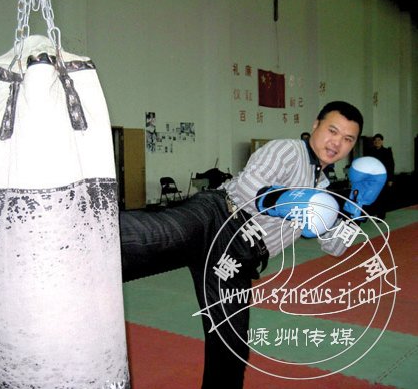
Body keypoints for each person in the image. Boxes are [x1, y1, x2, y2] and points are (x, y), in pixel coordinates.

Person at [119, 101, 364, 389]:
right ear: (315, 126)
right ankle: (78, 232)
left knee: (231, 347)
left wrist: (354, 212)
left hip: (237, 259)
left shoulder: (322, 189)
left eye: (348, 139)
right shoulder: (289, 151)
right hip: (217, 217)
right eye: (332, 131)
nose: (337, 143)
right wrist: (285, 201)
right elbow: (249, 186)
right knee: (156, 234)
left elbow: (333, 247)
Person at [367, 133, 394, 219]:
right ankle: (372, 214)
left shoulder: (387, 151)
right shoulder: (370, 152)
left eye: (379, 140)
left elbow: (391, 165)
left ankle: (381, 215)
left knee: (382, 196)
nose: (377, 142)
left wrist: (390, 179)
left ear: (382, 141)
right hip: (373, 177)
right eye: (375, 140)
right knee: (373, 195)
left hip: (383, 177)